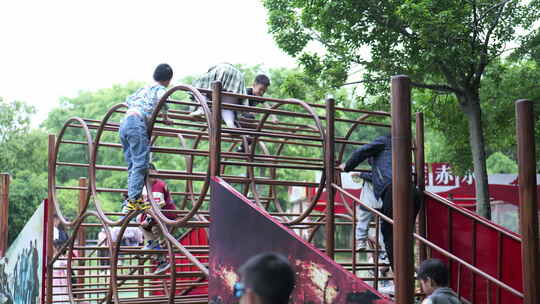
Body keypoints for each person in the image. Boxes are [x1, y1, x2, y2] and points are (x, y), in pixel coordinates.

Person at [120, 63, 174, 212]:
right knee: (141, 163)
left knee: (133, 164)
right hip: (136, 123)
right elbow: (163, 100)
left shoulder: (144, 88)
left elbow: (128, 100)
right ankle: (133, 199)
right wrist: (165, 116)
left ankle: (131, 199)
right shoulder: (160, 89)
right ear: (168, 80)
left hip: (125, 122)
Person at [137, 163, 178, 273]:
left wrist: (149, 219)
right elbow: (146, 205)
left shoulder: (158, 186)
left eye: (153, 174)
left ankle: (157, 248)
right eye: (148, 175)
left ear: (157, 173)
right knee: (139, 219)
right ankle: (160, 259)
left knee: (154, 231)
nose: (151, 177)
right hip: (158, 215)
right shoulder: (145, 187)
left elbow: (158, 205)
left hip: (165, 215)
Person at [189, 63, 247, 129]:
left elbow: (201, 91)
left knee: (199, 88)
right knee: (227, 107)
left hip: (223, 69)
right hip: (238, 76)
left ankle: (201, 109)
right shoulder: (236, 72)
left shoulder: (211, 73)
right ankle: (230, 124)